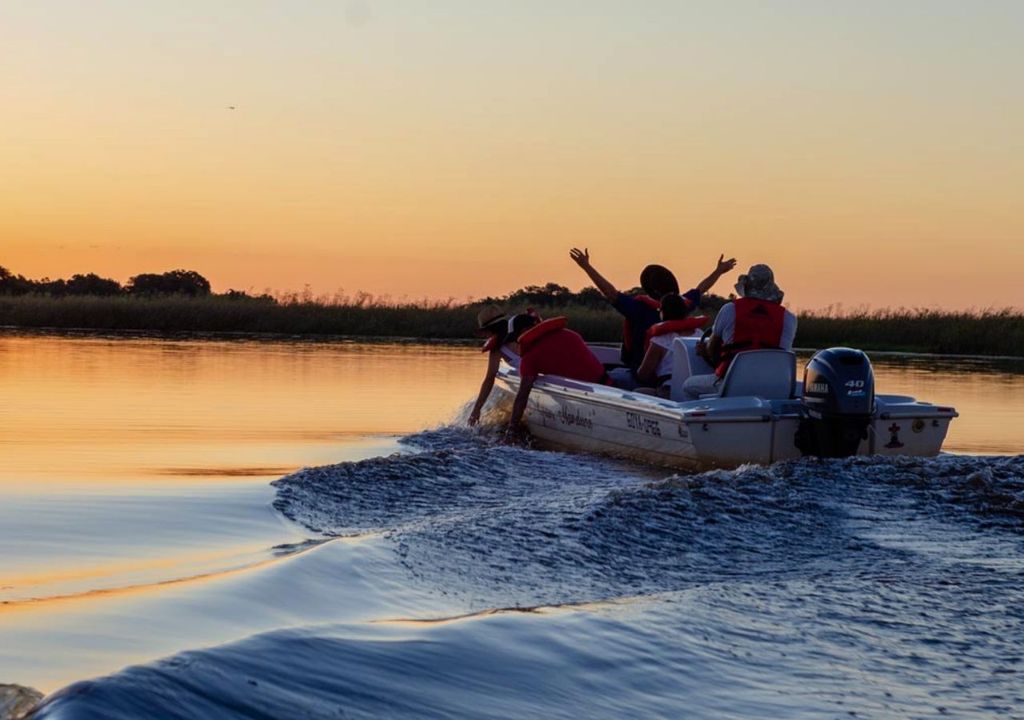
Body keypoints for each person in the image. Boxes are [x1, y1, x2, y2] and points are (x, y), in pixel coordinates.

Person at [569, 248, 736, 387]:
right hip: (680, 379)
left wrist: (586, 266)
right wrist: (719, 271)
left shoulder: (639, 309)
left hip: (645, 379)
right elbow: (701, 288)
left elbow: (610, 293)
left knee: (609, 376)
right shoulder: (683, 304)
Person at [682, 264, 798, 399]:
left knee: (688, 386)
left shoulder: (729, 310)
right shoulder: (789, 318)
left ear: (746, 287)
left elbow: (711, 349)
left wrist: (704, 352)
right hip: (773, 387)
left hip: (731, 384)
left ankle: (702, 419)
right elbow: (781, 356)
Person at [506, 313, 607, 435]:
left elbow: (522, 396)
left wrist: (511, 428)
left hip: (587, 401)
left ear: (523, 332)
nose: (517, 343)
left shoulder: (529, 358)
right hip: (608, 386)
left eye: (515, 338)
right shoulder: (569, 334)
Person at [634, 293, 709, 395]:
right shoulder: (701, 335)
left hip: (670, 390)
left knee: (637, 392)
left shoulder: (660, 340)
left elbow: (643, 375)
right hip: (698, 389)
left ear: (663, 312)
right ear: (685, 312)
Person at [468, 305, 511, 426]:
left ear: (488, 329)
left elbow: (489, 379)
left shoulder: (497, 348)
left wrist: (476, 410)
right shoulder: (524, 333)